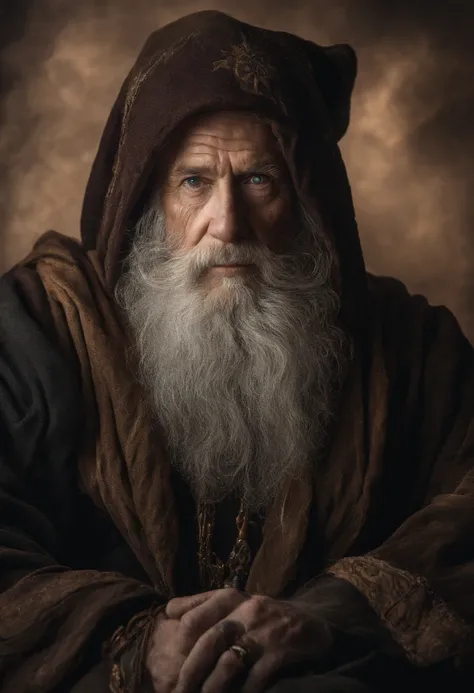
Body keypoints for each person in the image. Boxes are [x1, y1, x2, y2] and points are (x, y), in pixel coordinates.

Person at [0, 9, 473, 693]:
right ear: (145, 202)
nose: (227, 223)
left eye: (259, 180)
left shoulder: (411, 347)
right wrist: (144, 642)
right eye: (194, 181)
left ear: (309, 201)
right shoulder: (36, 328)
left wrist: (332, 617)